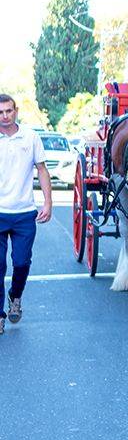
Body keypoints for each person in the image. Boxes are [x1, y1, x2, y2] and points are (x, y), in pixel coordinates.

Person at [0, 94, 52, 335]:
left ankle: (15, 295)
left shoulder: (30, 137)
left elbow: (42, 170)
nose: (5, 116)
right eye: (0, 112)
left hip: (24, 214)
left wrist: (48, 202)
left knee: (21, 263)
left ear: (16, 111)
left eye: (8, 111)